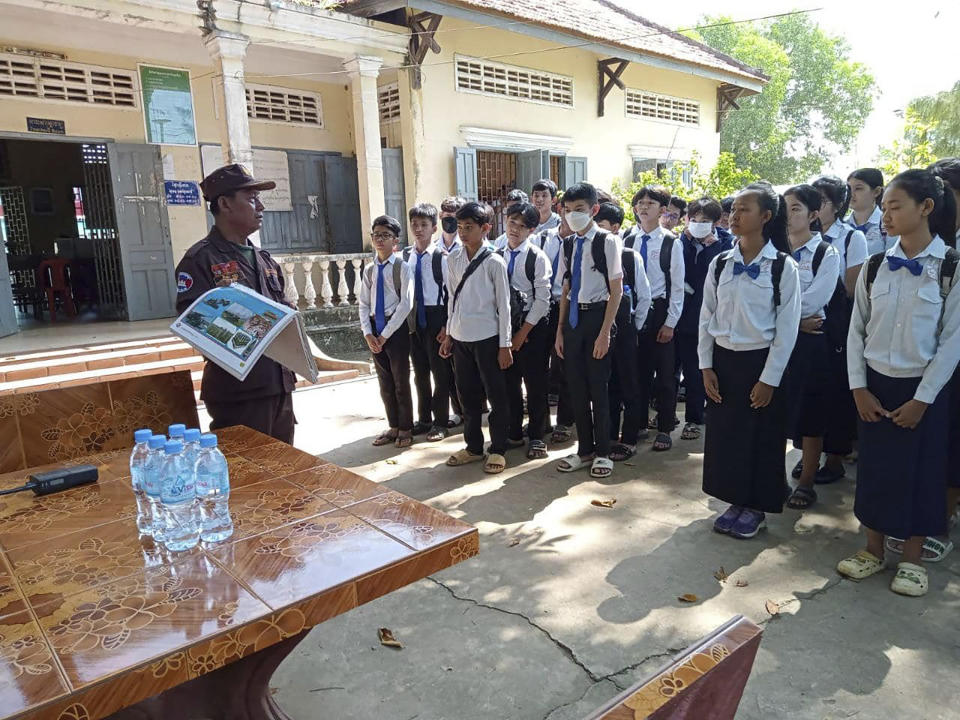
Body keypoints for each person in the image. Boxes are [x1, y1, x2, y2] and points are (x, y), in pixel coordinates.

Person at [837, 169, 960, 597]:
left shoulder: (950, 268)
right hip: (875, 385)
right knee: (875, 469)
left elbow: (951, 343)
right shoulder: (875, 266)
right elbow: (857, 332)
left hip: (923, 390)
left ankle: (911, 558)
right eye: (884, 206)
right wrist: (858, 388)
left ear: (925, 208)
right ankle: (872, 549)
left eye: (895, 206)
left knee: (922, 471)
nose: (885, 215)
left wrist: (923, 399)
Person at [698, 182, 801, 539]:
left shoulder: (782, 268)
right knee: (727, 436)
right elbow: (706, 317)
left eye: (744, 209)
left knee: (761, 437)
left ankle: (755, 505)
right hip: (724, 363)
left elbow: (787, 329)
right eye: (734, 208)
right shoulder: (720, 263)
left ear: (766, 217)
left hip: (761, 364)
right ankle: (734, 499)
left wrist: (770, 378)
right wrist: (705, 365)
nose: (734, 215)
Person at [175, 164, 297, 443]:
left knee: (285, 474)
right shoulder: (200, 261)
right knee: (248, 477)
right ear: (225, 204)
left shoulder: (264, 259)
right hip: (239, 391)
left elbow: (284, 310)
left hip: (278, 384)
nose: (261, 206)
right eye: (252, 198)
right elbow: (197, 325)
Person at [554, 183, 623, 479]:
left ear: (594, 210)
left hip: (598, 318)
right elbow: (566, 289)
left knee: (599, 388)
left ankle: (604, 451)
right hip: (572, 322)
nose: (573, 216)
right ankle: (585, 450)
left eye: (579, 210)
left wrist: (605, 332)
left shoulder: (606, 242)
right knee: (577, 389)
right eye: (568, 211)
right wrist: (559, 331)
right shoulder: (568, 244)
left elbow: (616, 290)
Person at [440, 202, 513, 474]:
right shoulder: (453, 259)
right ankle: (473, 447)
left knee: (496, 395)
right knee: (467, 396)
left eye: (468, 227)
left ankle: (498, 449)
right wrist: (449, 333)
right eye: (459, 227)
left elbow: (503, 306)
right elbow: (452, 300)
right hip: (460, 338)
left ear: (485, 229)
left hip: (488, 338)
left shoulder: (494, 261)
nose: (462, 233)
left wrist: (505, 345)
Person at [781, 185, 842, 511]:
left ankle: (806, 482)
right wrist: (791, 322)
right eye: (785, 208)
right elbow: (761, 299)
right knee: (775, 410)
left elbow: (818, 300)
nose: (789, 215)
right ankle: (773, 478)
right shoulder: (774, 252)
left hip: (810, 345)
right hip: (779, 342)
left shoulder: (826, 253)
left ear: (813, 215)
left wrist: (785, 318)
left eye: (796, 209)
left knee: (811, 414)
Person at [809, 174, 869, 484]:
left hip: (836, 322)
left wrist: (817, 287)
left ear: (838, 205)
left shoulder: (850, 238)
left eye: (822, 201)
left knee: (835, 390)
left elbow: (850, 287)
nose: (816, 208)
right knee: (810, 391)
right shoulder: (803, 235)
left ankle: (833, 458)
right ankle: (810, 455)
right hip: (807, 320)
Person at [626, 186, 685, 451]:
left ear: (663, 210)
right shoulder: (628, 239)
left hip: (660, 311)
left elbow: (677, 285)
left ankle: (664, 428)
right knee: (636, 372)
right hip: (634, 309)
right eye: (640, 202)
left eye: (650, 203)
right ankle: (637, 423)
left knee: (664, 375)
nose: (644, 207)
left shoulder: (671, 242)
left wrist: (670, 322)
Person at [594, 203, 651, 461]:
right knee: (608, 385)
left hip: (626, 330)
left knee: (630, 383)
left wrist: (634, 329)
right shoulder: (590, 253)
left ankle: (629, 438)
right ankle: (607, 436)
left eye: (601, 226)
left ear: (615, 228)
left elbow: (645, 296)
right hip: (599, 330)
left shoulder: (629, 256)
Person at [498, 202, 553, 459]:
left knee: (535, 383)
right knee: (509, 383)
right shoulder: (496, 254)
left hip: (532, 328)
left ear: (531, 230)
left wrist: (523, 333)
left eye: (522, 226)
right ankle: (514, 432)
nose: (515, 230)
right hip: (504, 327)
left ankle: (537, 436)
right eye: (512, 223)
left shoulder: (536, 258)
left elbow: (542, 300)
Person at [676, 198, 732, 441]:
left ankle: (705, 415)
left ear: (717, 222)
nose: (698, 225)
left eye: (705, 221)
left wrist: (710, 247)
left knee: (709, 369)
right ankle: (692, 417)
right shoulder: (680, 242)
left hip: (715, 317)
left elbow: (712, 278)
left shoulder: (727, 244)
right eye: (694, 219)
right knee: (688, 370)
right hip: (684, 317)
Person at [360, 216, 414, 449]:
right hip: (375, 327)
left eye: (385, 235)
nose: (379, 240)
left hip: (396, 329)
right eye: (376, 235)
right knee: (385, 381)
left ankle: (406, 427)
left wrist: (386, 334)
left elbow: (406, 303)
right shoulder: (370, 270)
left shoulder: (403, 267)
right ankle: (393, 425)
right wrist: (368, 333)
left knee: (401, 380)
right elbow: (363, 303)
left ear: (396, 241)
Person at [404, 203, 450, 441]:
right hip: (414, 320)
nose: (418, 229)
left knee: (440, 372)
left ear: (434, 228)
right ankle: (424, 419)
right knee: (419, 372)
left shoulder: (441, 258)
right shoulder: (405, 257)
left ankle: (441, 421)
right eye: (415, 225)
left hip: (435, 317)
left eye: (424, 225)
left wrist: (446, 326)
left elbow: (451, 294)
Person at [535, 214, 577, 443]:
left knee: (565, 367)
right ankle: (540, 421)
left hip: (568, 307)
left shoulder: (582, 242)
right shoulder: (542, 238)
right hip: (543, 308)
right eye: (568, 210)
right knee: (538, 368)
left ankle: (565, 421)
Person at [436, 195, 466, 427]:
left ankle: (467, 411)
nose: (451, 223)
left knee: (461, 368)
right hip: (437, 313)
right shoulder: (434, 249)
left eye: (455, 219)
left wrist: (449, 324)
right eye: (447, 218)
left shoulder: (467, 247)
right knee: (442, 369)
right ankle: (453, 411)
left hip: (459, 315)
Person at [847, 168, 891, 255]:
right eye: (848, 188)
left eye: (858, 188)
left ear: (876, 192)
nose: (851, 194)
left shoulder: (888, 223)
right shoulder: (842, 226)